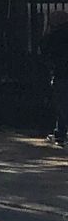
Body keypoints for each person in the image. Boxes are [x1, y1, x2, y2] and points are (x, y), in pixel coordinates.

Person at [45, 15, 68, 146]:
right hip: (62, 73)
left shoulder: (55, 36)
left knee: (62, 104)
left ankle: (60, 132)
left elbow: (44, 49)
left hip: (61, 74)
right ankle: (60, 131)